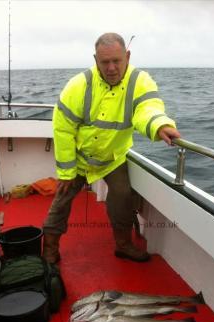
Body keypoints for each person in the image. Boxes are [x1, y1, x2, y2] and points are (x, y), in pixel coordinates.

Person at [43, 32, 180, 264]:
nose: (112, 68)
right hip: (79, 157)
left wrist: (160, 124)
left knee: (122, 196)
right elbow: (63, 129)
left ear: (127, 56)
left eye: (117, 60)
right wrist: (66, 173)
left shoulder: (140, 81)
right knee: (62, 197)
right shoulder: (78, 85)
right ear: (95, 60)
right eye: (105, 62)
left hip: (112, 158)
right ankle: (49, 248)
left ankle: (123, 245)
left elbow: (148, 108)